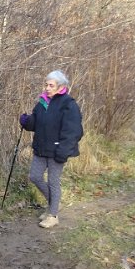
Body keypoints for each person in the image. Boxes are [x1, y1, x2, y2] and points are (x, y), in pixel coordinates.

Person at [19, 70, 83, 228]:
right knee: (35, 177)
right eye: (46, 85)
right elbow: (35, 124)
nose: (47, 88)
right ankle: (53, 204)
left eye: (51, 85)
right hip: (41, 148)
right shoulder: (42, 102)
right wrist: (26, 121)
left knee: (53, 181)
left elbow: (74, 131)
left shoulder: (68, 104)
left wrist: (63, 150)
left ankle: (53, 215)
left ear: (61, 87)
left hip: (57, 150)